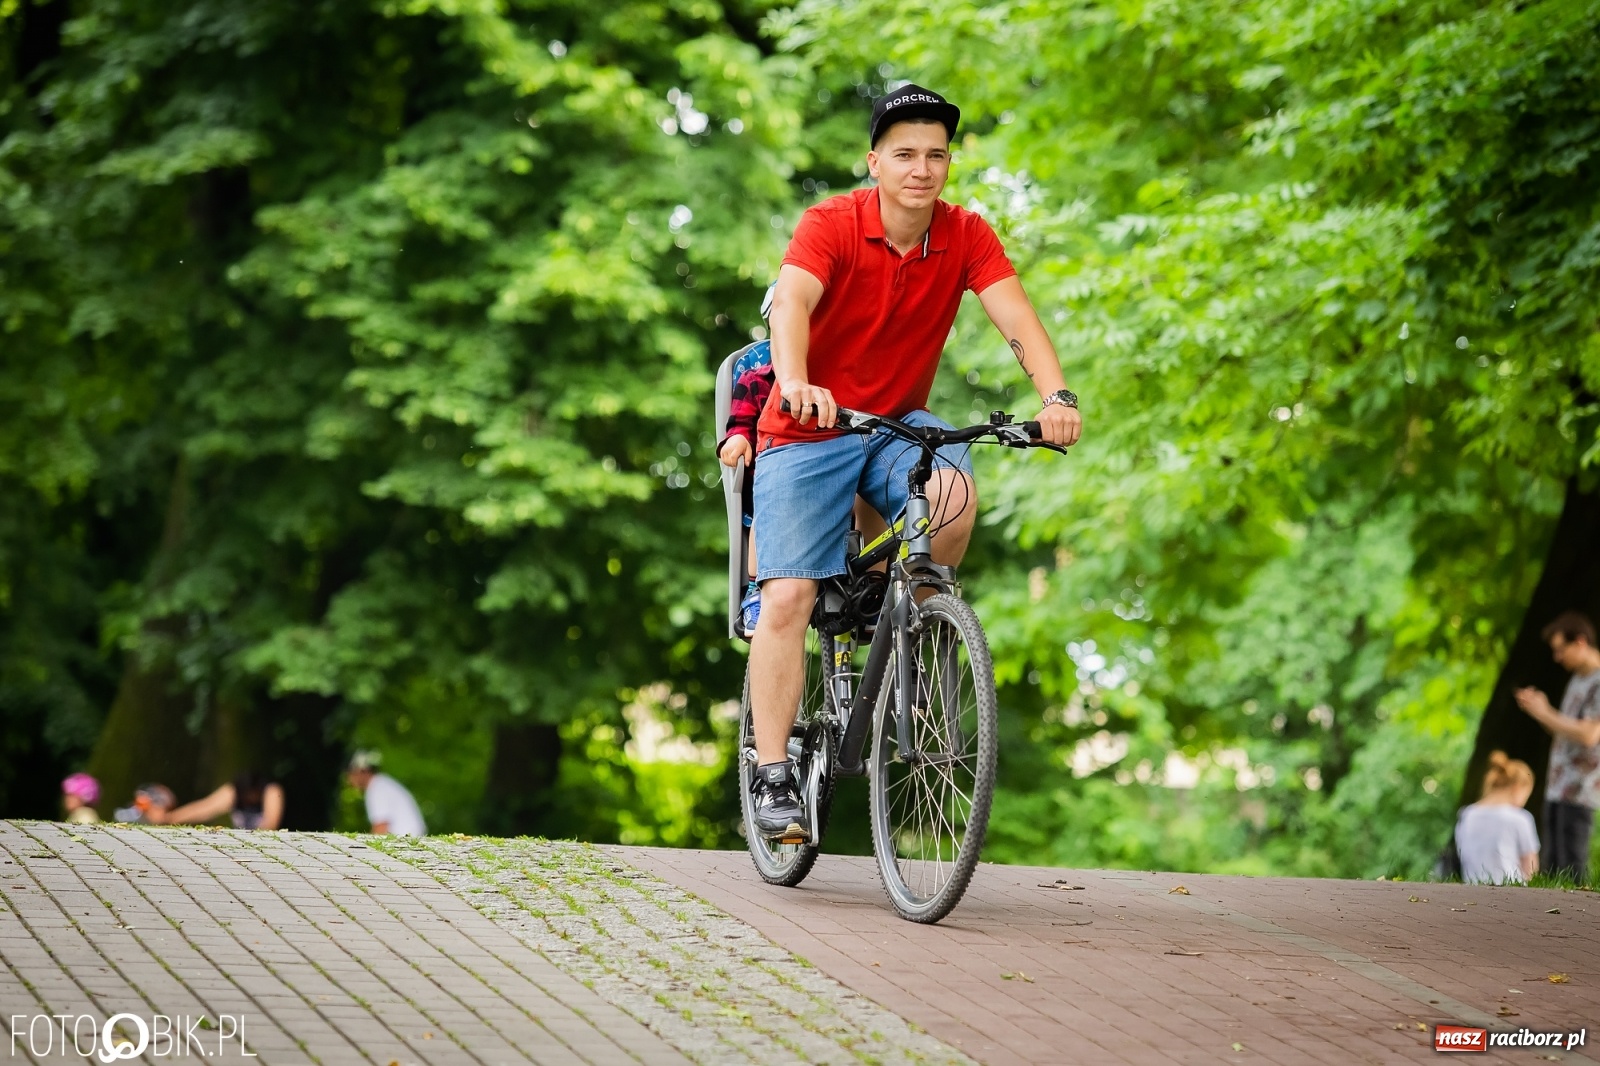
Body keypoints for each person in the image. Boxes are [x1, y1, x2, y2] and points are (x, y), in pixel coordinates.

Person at [745, 84, 1083, 840]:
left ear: (948, 163)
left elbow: (1015, 315)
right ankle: (773, 777)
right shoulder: (832, 223)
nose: (921, 169)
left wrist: (1054, 394)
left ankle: (890, 611)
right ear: (875, 162)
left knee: (955, 493)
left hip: (895, 423)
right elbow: (792, 302)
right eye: (904, 154)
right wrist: (796, 383)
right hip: (809, 429)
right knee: (791, 597)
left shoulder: (964, 235)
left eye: (935, 154)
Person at [1515, 610, 1600, 882]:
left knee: (1573, 873)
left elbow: (1589, 735)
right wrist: (1537, 710)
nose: (1557, 657)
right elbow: (1565, 731)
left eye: (1561, 649)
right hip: (1557, 787)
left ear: (1581, 642)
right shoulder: (1578, 679)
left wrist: (1545, 711)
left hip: (1580, 790)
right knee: (1553, 871)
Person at [1455, 751, 1540, 884]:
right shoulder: (1520, 818)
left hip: (1472, 888)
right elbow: (1530, 866)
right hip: (1511, 891)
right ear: (1517, 788)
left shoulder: (1467, 815)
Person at [150, 771, 284, 830]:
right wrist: (169, 819)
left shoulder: (271, 791)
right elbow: (205, 808)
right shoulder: (236, 790)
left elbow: (271, 824)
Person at [346, 751, 426, 836]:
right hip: (411, 838)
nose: (349, 779)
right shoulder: (382, 783)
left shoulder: (377, 789)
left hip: (405, 840)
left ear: (363, 771)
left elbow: (381, 828)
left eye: (352, 773)